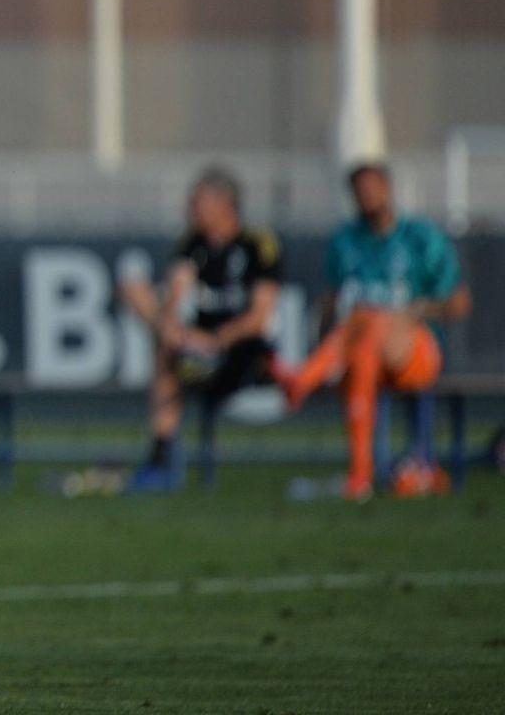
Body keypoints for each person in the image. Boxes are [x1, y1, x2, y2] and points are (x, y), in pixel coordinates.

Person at [274, 161, 470, 500]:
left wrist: (417, 311)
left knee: (371, 319)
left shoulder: (420, 237)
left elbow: (458, 302)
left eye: (372, 188)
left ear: (388, 189)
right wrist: (329, 345)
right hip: (362, 351)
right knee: (364, 340)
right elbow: (331, 302)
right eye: (359, 191)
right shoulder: (346, 240)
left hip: (414, 352)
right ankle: (361, 476)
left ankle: (303, 378)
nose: (366, 197)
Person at [120, 167, 282, 493]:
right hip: (197, 349)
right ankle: (162, 457)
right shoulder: (192, 245)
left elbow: (259, 317)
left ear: (225, 204)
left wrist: (215, 340)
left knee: (168, 350)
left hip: (243, 353)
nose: (190, 209)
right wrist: (172, 320)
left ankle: (162, 458)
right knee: (139, 298)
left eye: (198, 202)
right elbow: (175, 297)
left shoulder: (257, 244)